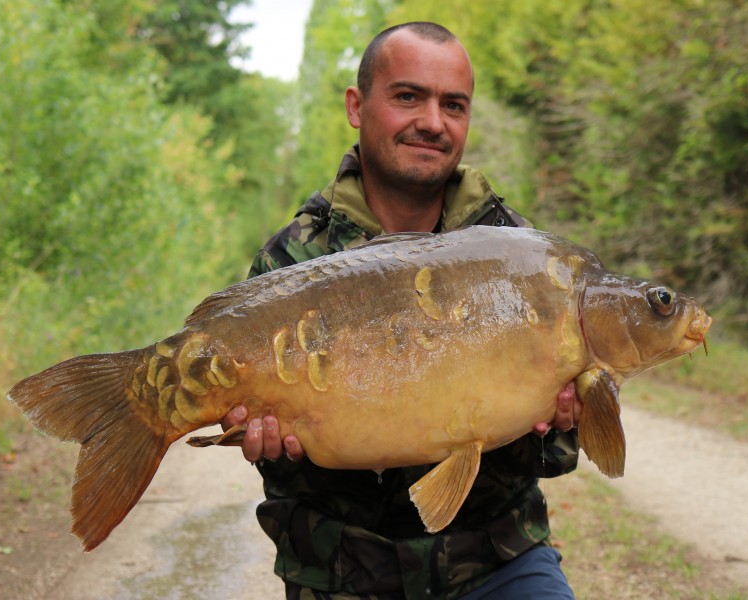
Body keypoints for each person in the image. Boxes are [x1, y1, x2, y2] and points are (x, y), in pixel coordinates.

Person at [222, 22, 581, 600]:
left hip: (496, 560)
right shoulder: (293, 258)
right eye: (409, 96)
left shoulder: (524, 256)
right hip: (342, 573)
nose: (433, 122)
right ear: (357, 107)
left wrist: (556, 421)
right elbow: (282, 473)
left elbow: (562, 457)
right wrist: (270, 445)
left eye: (454, 105)